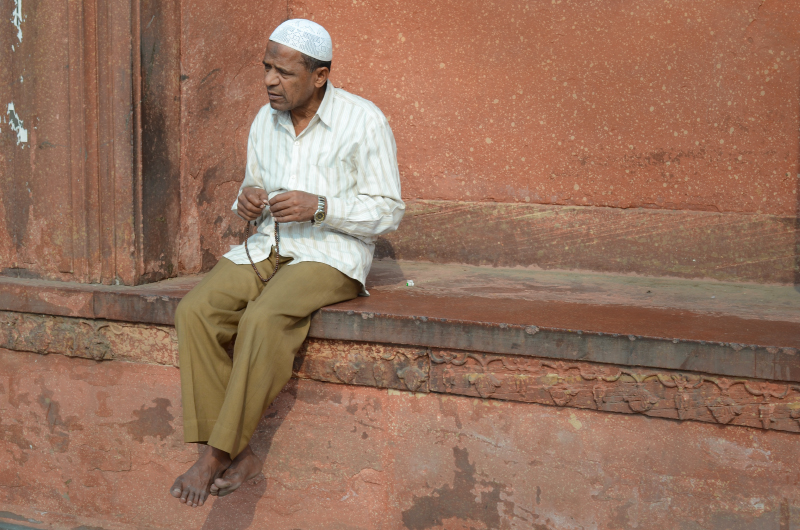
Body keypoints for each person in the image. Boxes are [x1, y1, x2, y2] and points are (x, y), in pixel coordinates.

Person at [168, 18, 404, 508]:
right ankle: (243, 452)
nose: (270, 81)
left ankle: (214, 454)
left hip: (331, 252)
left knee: (263, 317)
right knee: (196, 311)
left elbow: (389, 210)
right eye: (266, 68)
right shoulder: (264, 119)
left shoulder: (365, 121)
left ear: (319, 76)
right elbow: (250, 186)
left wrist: (322, 207)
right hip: (269, 244)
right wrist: (248, 200)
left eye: (283, 72)